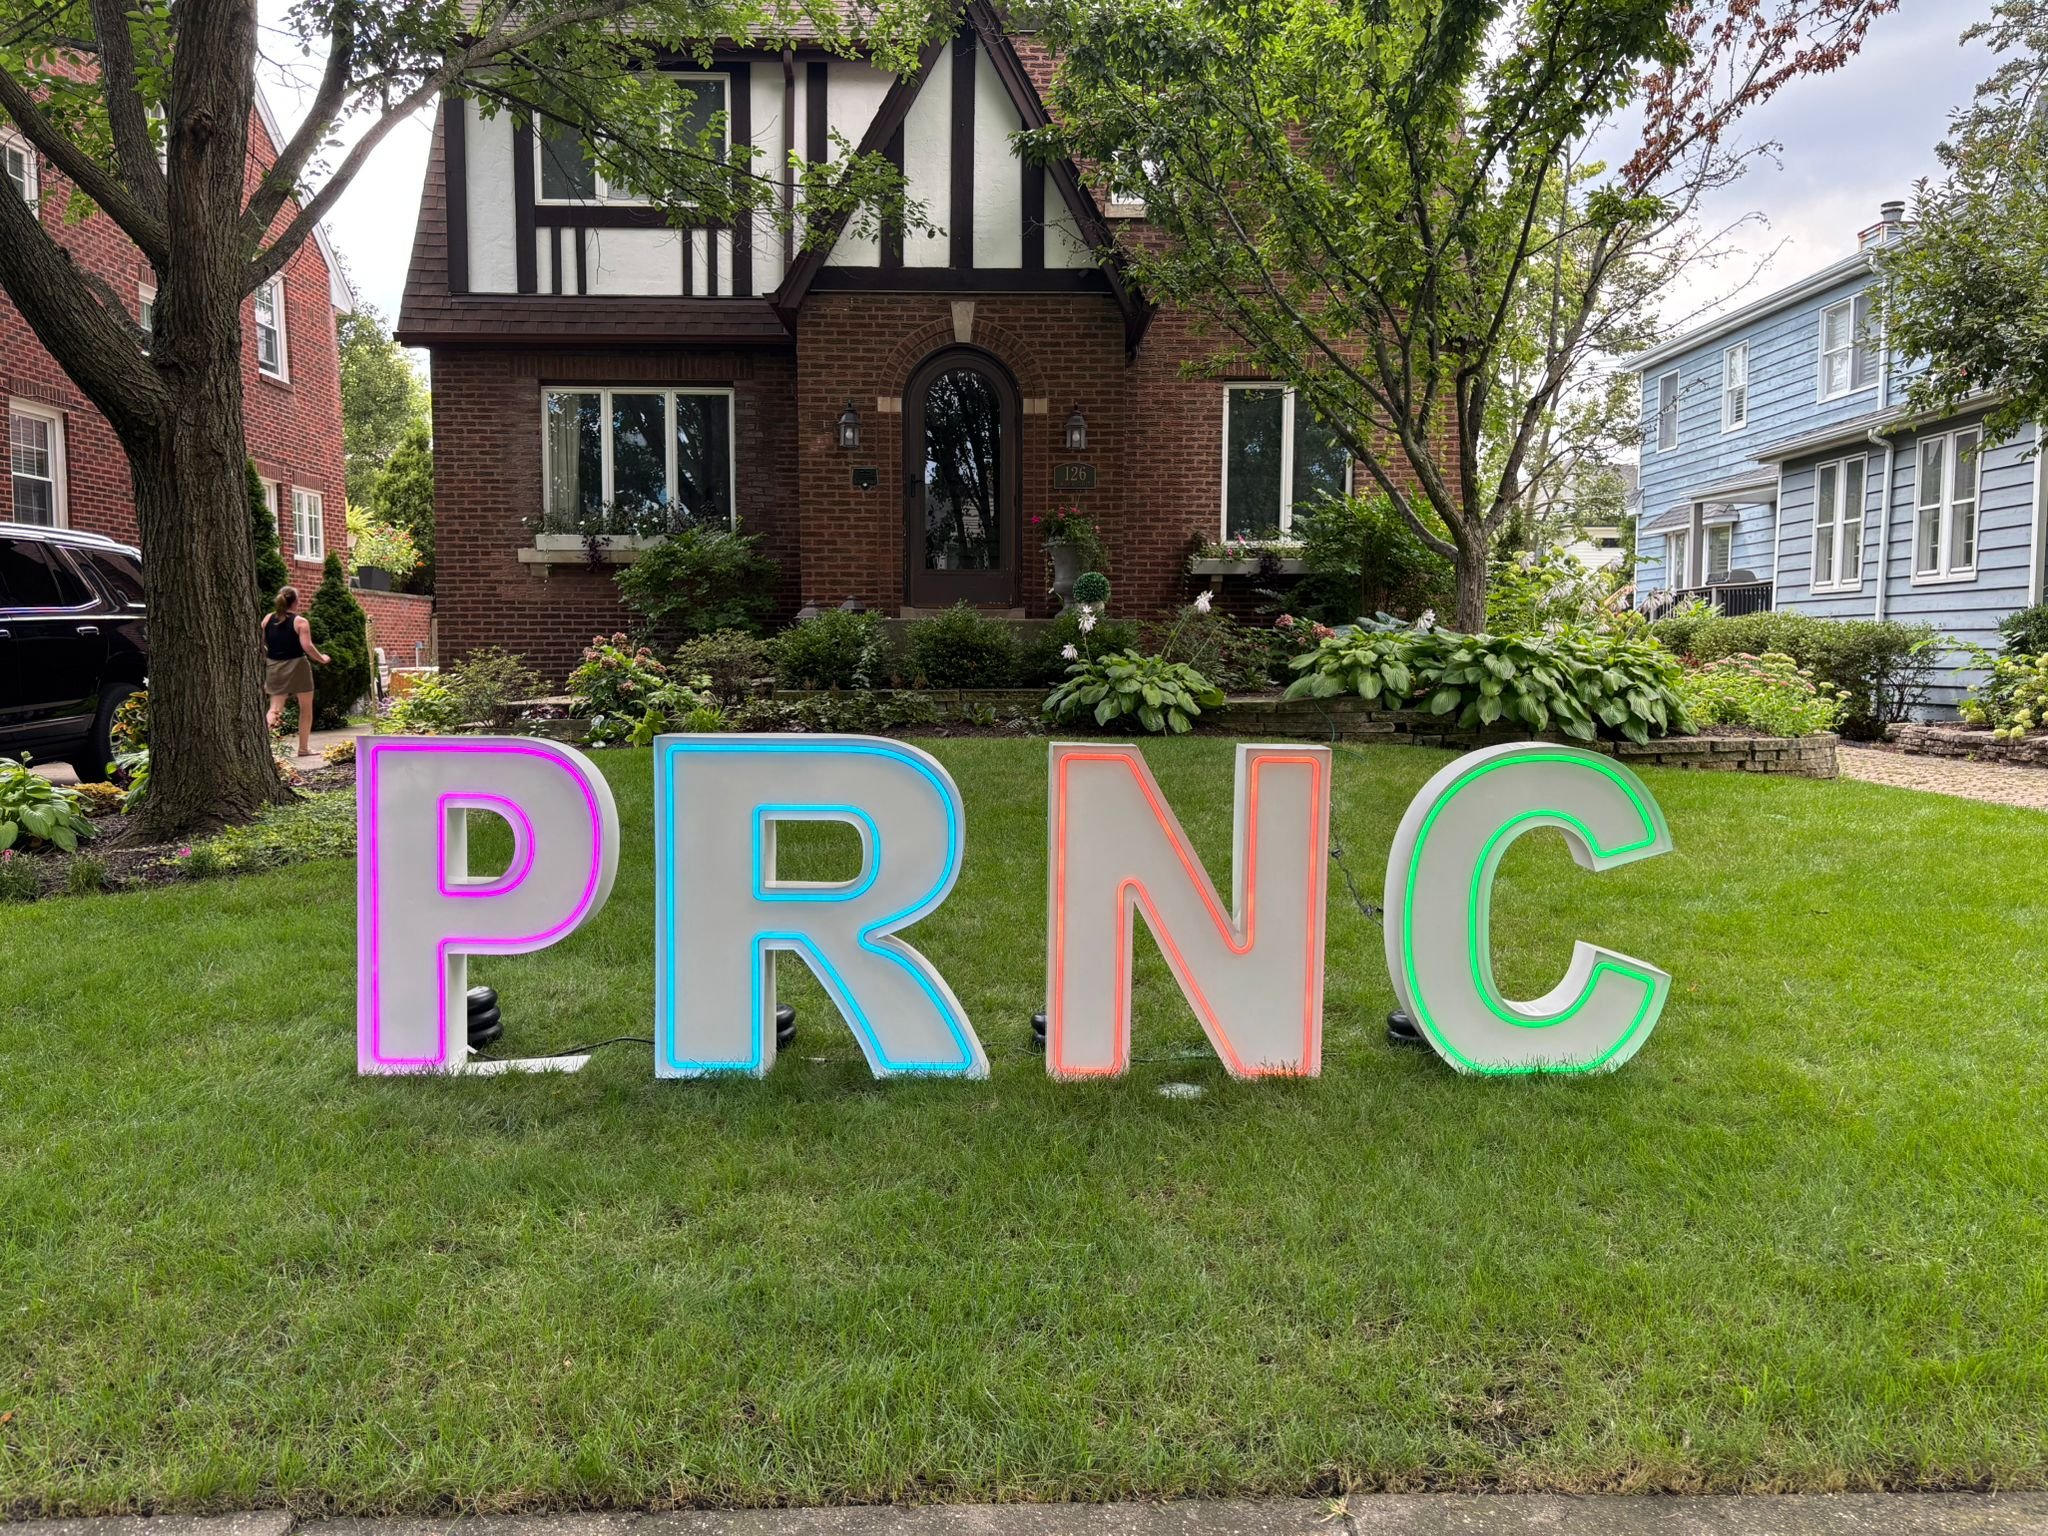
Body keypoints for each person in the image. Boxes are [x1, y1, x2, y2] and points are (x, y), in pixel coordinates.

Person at [260, 586, 330, 758]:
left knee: (275, 709)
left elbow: (261, 643)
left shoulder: (268, 619)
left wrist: (270, 657)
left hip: (274, 666)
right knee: (305, 708)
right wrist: (322, 658)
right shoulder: (300, 622)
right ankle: (303, 748)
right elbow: (307, 647)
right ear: (296, 602)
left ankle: (263, 748)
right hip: (298, 666)